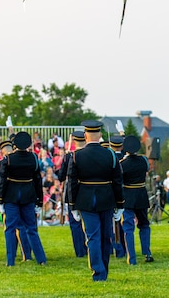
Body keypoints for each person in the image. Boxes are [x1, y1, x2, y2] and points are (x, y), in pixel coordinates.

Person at [67, 121, 124, 282]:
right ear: (99, 136)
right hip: (106, 198)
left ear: (85, 136)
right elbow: (117, 180)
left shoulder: (76, 155)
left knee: (92, 237)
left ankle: (98, 272)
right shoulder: (110, 154)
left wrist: (72, 206)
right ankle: (103, 269)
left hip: (85, 200)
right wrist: (120, 204)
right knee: (106, 236)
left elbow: (72, 182)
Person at [0, 131, 47, 266]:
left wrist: (0, 200)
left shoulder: (8, 159)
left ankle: (10, 260)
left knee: (10, 228)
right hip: (28, 195)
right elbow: (38, 180)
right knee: (31, 228)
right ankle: (41, 259)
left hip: (11, 196)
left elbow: (2, 181)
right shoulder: (33, 158)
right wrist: (39, 200)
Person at [0, 139, 33, 262]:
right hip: (26, 197)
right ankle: (26, 254)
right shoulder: (26, 159)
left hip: (9, 199)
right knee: (24, 227)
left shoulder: (1, 164)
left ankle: (13, 256)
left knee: (11, 227)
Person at [119, 135, 154, 264]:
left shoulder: (122, 163)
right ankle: (147, 252)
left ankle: (131, 257)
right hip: (141, 194)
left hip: (128, 195)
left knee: (128, 228)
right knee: (144, 224)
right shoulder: (144, 160)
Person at [57, 131, 87, 258]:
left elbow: (61, 176)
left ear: (74, 141)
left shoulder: (69, 156)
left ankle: (80, 251)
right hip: (86, 191)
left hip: (72, 192)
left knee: (75, 224)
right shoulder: (87, 154)